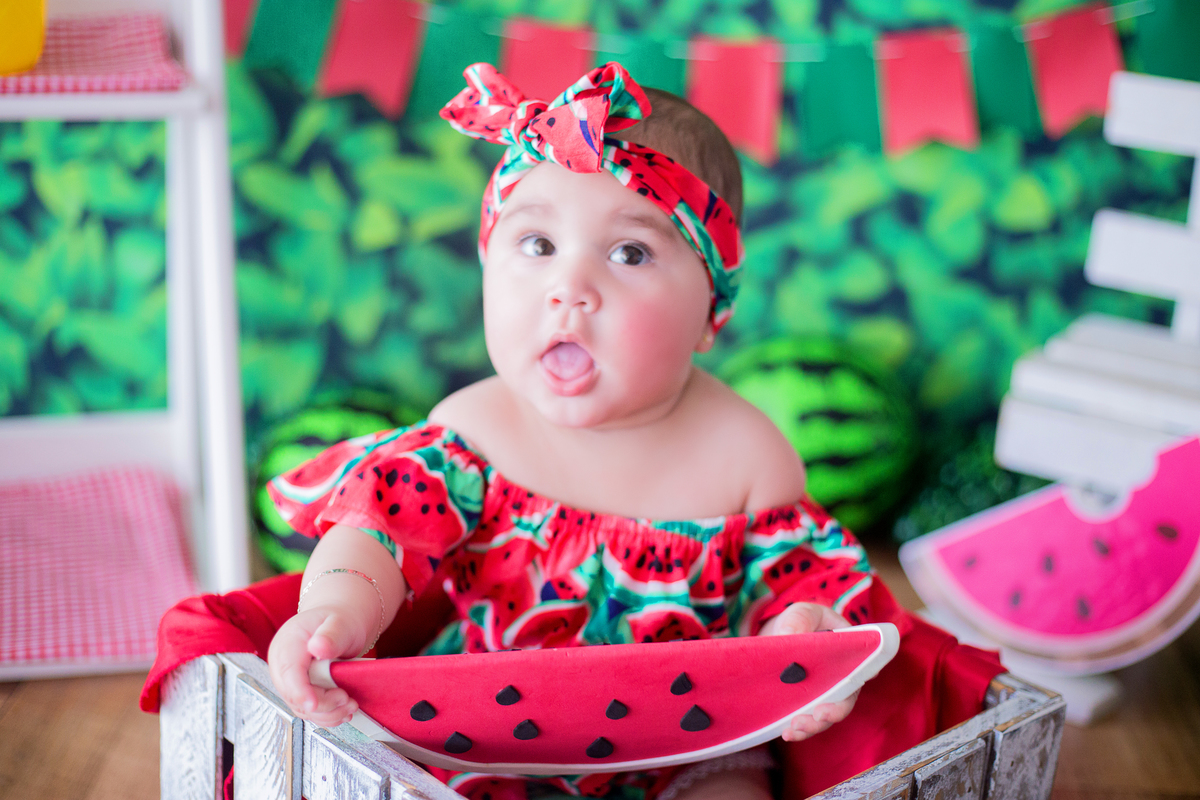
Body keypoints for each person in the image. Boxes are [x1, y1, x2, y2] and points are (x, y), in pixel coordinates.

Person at [266, 62, 875, 800]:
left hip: (689, 741)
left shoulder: (748, 457)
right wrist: (334, 613)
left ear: (712, 310)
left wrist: (805, 637)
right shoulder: (473, 433)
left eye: (630, 253)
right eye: (537, 245)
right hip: (477, 726)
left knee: (734, 787)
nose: (571, 289)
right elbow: (376, 533)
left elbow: (802, 587)